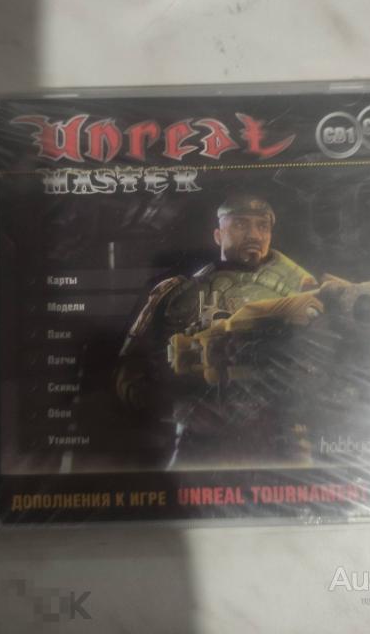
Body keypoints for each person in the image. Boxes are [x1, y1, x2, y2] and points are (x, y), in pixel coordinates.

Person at [115, 194, 324, 467]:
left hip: (281, 441)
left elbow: (330, 370)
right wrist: (177, 407)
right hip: (201, 442)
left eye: (262, 226)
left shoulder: (305, 293)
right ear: (218, 235)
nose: (253, 234)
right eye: (240, 224)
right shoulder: (175, 293)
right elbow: (129, 374)